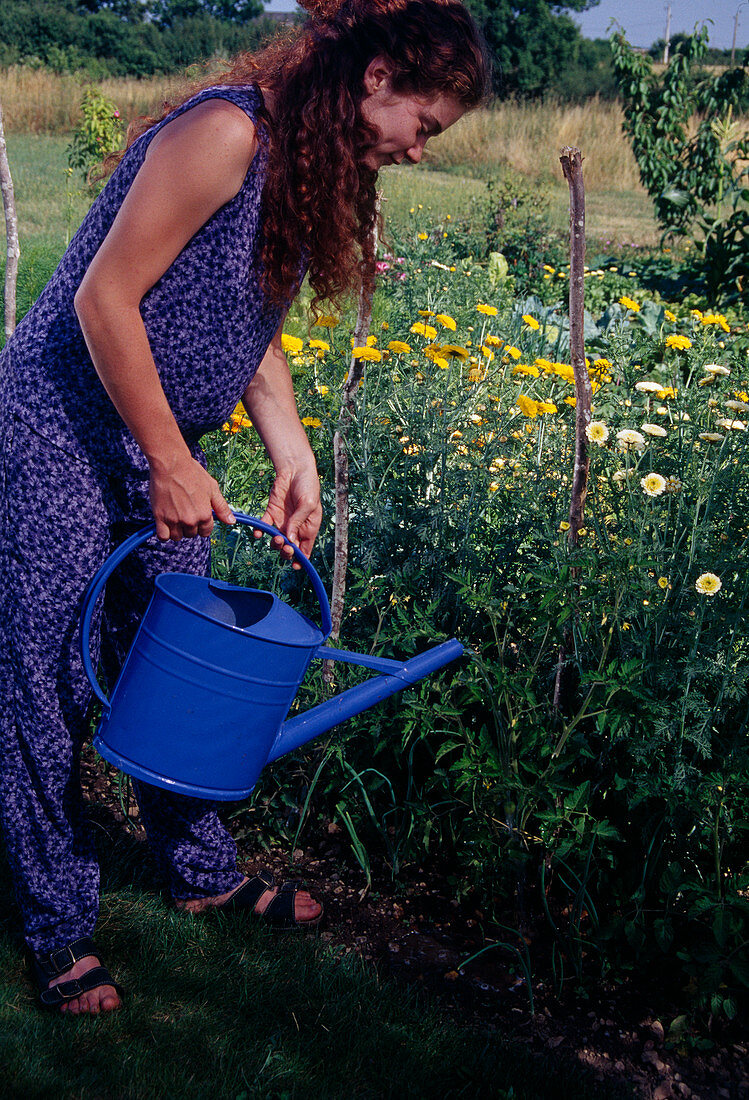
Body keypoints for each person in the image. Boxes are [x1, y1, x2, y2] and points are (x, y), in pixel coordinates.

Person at [0, 0, 489, 1016]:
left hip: (155, 455)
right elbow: (102, 298)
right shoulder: (227, 132)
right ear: (377, 77)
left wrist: (291, 448)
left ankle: (200, 871)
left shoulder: (309, 165)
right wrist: (173, 457)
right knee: (41, 686)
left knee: (177, 673)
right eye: (423, 124)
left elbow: (242, 318)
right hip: (55, 432)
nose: (414, 147)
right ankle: (54, 929)